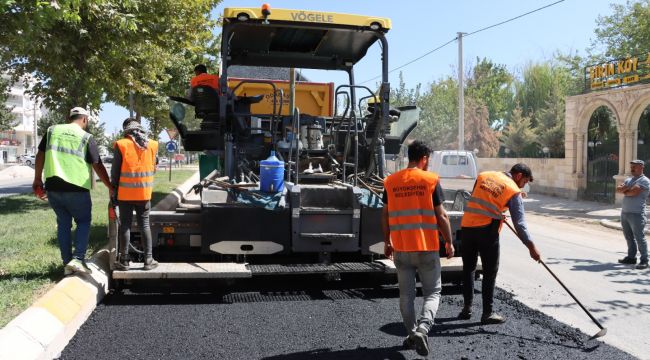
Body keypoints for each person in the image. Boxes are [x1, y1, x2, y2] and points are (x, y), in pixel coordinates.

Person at [382, 140, 454, 357]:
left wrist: (387, 241)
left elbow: (384, 215)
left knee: (406, 295)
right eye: (428, 160)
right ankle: (423, 329)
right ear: (423, 158)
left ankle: (412, 333)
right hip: (426, 247)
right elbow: (441, 215)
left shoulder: (391, 181)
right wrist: (449, 241)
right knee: (433, 292)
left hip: (401, 247)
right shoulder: (430, 180)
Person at [32, 107, 114, 275]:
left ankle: (67, 263)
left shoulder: (52, 130)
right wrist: (109, 186)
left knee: (63, 224)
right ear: (85, 119)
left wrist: (37, 179)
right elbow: (97, 164)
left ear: (68, 117)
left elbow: (40, 155)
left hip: (53, 187)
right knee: (83, 221)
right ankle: (78, 259)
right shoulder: (86, 137)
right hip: (77, 188)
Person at [458, 163, 541, 324]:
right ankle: (487, 313)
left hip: (467, 226)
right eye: (524, 181)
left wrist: (498, 212)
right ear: (518, 176)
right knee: (490, 271)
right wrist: (531, 247)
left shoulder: (484, 175)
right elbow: (520, 224)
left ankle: (466, 309)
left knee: (468, 268)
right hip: (487, 231)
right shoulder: (513, 190)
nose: (523, 185)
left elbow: (480, 199)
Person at [112, 119, 159, 271]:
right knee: (144, 224)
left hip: (125, 194)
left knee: (125, 225)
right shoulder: (152, 144)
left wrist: (114, 190)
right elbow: (154, 167)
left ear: (126, 130)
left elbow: (115, 172)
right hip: (144, 193)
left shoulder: (121, 144)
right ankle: (148, 260)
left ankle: (124, 261)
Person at [616, 159, 649, 269]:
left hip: (637, 213)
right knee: (629, 237)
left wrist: (625, 189)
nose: (632, 168)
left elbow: (634, 192)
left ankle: (644, 260)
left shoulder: (644, 180)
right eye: (631, 166)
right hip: (625, 212)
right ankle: (631, 257)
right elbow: (618, 189)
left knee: (639, 237)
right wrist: (627, 189)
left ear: (641, 167)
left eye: (634, 166)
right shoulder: (629, 179)